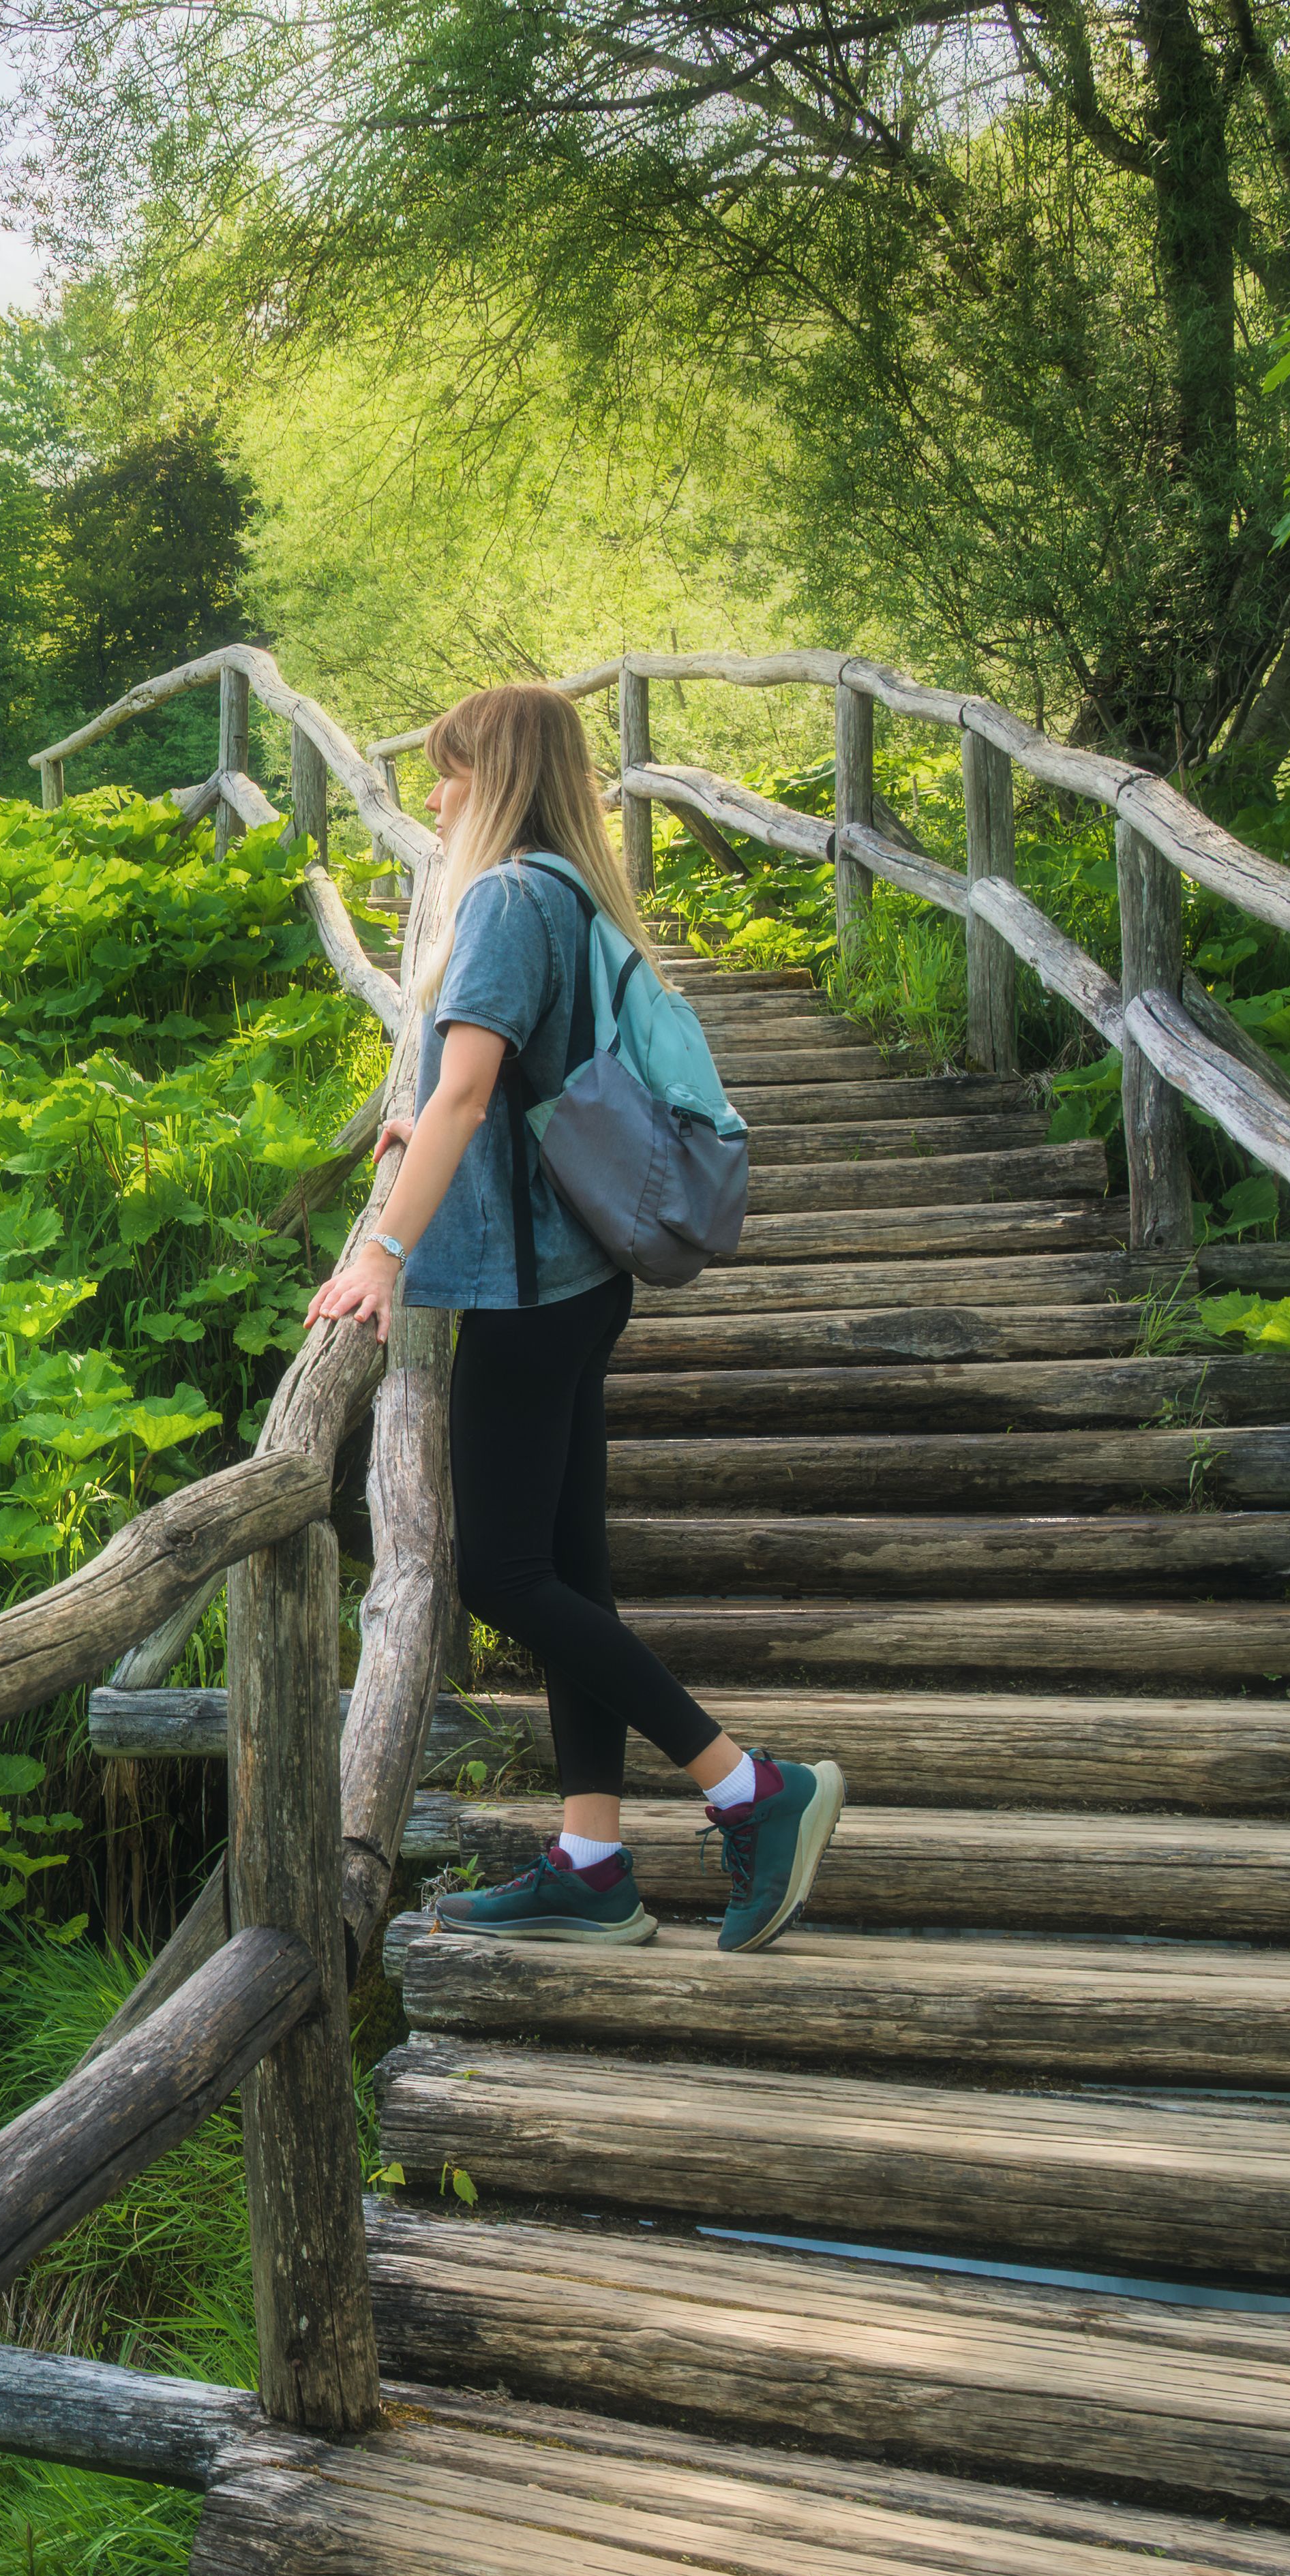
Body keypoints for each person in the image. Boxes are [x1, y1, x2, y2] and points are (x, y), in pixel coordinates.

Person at [303, 681, 842, 1952]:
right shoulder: (570, 889)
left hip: (526, 1292)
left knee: (498, 1572)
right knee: (570, 1574)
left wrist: (383, 1251)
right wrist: (414, 1123)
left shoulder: (500, 897)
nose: (432, 798)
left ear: (492, 778)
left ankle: (750, 1788)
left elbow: (472, 1095)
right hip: (580, 1279)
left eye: (447, 774)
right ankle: (593, 1861)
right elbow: (490, 1087)